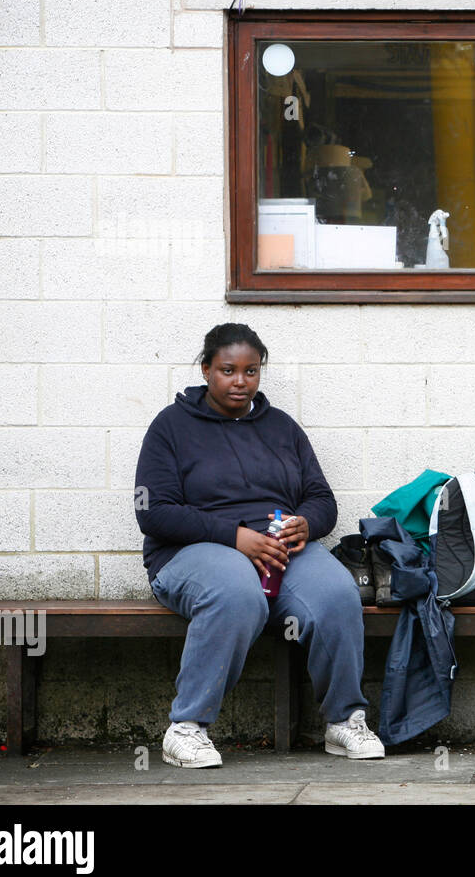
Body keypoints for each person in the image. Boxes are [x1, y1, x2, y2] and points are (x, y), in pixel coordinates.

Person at [134, 322, 382, 768]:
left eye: (251, 371)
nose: (239, 381)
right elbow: (153, 512)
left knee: (336, 593)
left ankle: (344, 720)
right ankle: (186, 728)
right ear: (207, 369)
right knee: (235, 591)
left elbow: (321, 498)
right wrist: (233, 536)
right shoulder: (171, 427)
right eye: (228, 370)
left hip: (279, 550)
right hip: (193, 552)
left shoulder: (281, 427)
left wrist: (306, 523)